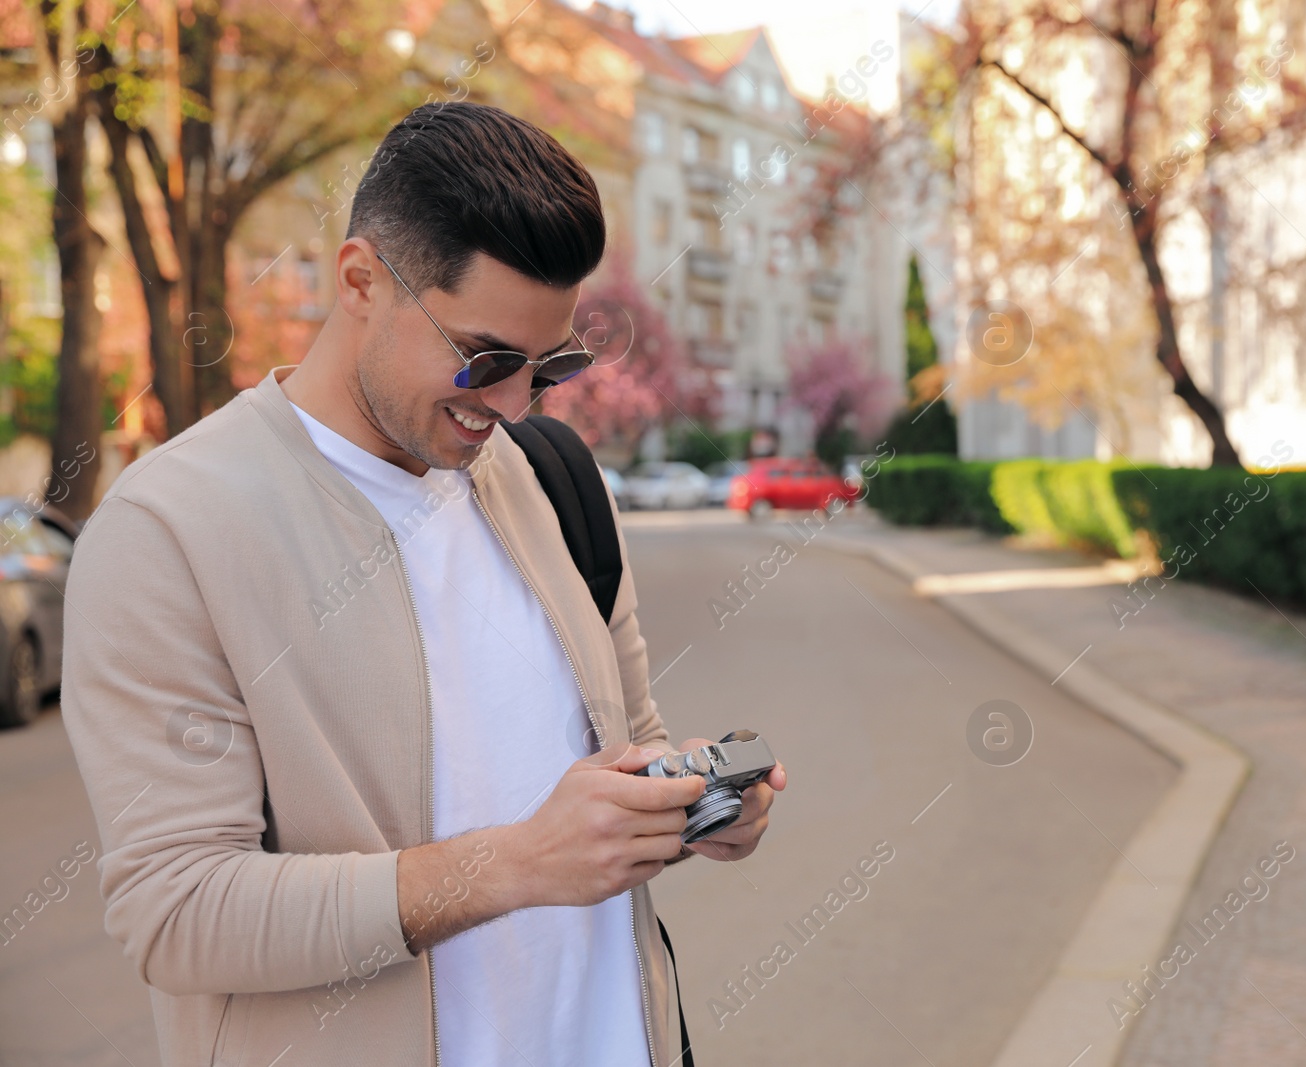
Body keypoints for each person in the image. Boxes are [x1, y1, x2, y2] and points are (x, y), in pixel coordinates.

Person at [60, 101, 783, 1067]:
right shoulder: (166, 533)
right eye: (485, 359)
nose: (514, 403)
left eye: (547, 365)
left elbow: (630, 744)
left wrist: (684, 803)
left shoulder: (550, 477)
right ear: (361, 279)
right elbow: (177, 910)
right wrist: (516, 864)